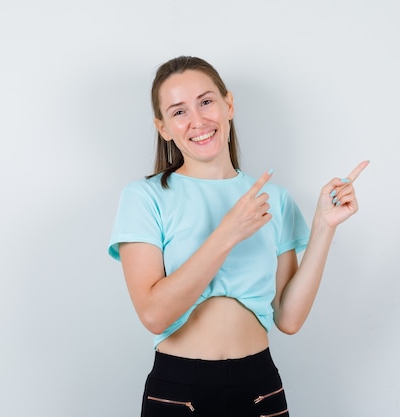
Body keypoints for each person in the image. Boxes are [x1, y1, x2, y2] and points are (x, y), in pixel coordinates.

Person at [108, 56, 368, 417]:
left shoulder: (274, 199)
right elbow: (154, 314)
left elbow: (288, 319)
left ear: (228, 105)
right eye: (179, 111)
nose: (198, 121)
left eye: (206, 101)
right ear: (163, 127)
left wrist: (324, 226)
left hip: (259, 386)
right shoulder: (144, 197)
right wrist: (228, 232)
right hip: (179, 390)